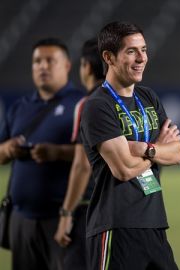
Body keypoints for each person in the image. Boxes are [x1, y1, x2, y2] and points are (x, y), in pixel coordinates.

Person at [80, 21, 180, 270]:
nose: (141, 58)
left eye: (144, 50)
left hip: (154, 223)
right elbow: (123, 169)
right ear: (109, 57)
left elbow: (177, 153)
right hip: (115, 227)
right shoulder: (98, 106)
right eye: (131, 51)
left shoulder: (148, 97)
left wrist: (147, 149)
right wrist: (158, 150)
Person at [0, 38, 84, 270]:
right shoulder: (20, 107)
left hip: (63, 219)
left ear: (67, 65)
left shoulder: (80, 104)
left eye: (50, 61)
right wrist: (8, 149)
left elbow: (91, 154)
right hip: (21, 218)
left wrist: (57, 153)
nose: (43, 66)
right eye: (37, 61)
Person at [54, 38, 104, 269]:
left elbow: (82, 165)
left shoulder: (88, 104)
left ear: (86, 66)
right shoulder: (135, 99)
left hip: (89, 209)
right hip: (129, 209)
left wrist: (66, 214)